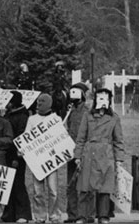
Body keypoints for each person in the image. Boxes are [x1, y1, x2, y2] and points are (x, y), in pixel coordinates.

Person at [74, 88, 125, 224]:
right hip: (89, 153)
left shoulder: (114, 118)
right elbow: (81, 137)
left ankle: (103, 216)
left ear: (109, 100)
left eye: (105, 98)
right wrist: (78, 156)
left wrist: (118, 160)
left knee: (105, 188)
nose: (102, 100)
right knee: (84, 187)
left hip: (106, 155)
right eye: (99, 98)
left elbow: (118, 140)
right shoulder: (88, 115)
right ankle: (82, 216)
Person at [25, 93, 62, 224]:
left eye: (43, 102)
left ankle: (54, 216)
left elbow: (61, 138)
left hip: (51, 159)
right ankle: (40, 216)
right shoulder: (32, 119)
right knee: (38, 191)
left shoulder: (55, 119)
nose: (39, 104)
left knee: (53, 191)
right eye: (38, 101)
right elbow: (26, 138)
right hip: (38, 161)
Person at [2, 91, 32, 223]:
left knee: (18, 184)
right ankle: (10, 214)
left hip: (16, 155)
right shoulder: (9, 115)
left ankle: (22, 214)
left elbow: (21, 138)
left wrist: (16, 157)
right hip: (7, 154)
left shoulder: (22, 117)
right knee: (9, 184)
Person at [65, 83, 89, 223]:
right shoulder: (70, 111)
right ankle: (72, 215)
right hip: (70, 151)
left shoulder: (87, 111)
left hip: (83, 152)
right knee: (71, 185)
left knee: (84, 185)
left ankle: (84, 215)